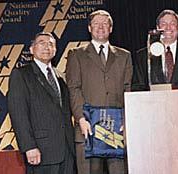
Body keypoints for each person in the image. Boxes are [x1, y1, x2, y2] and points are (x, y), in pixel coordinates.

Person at [66, 10, 133, 174]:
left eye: (105, 23)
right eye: (96, 23)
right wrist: (81, 118)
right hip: (88, 128)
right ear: (89, 28)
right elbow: (74, 89)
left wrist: (127, 118)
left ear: (111, 28)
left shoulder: (124, 56)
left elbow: (128, 89)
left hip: (117, 130)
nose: (100, 27)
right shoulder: (76, 55)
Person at [8, 32, 75, 174]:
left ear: (55, 50)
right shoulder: (21, 74)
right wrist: (29, 146)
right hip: (41, 150)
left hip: (67, 150)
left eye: (51, 44)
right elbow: (18, 114)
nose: (47, 46)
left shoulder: (60, 76)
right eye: (42, 42)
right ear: (32, 49)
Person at [132, 9, 178, 107]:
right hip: (153, 113)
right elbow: (138, 88)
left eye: (172, 23)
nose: (168, 27)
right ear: (158, 28)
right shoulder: (143, 55)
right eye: (163, 24)